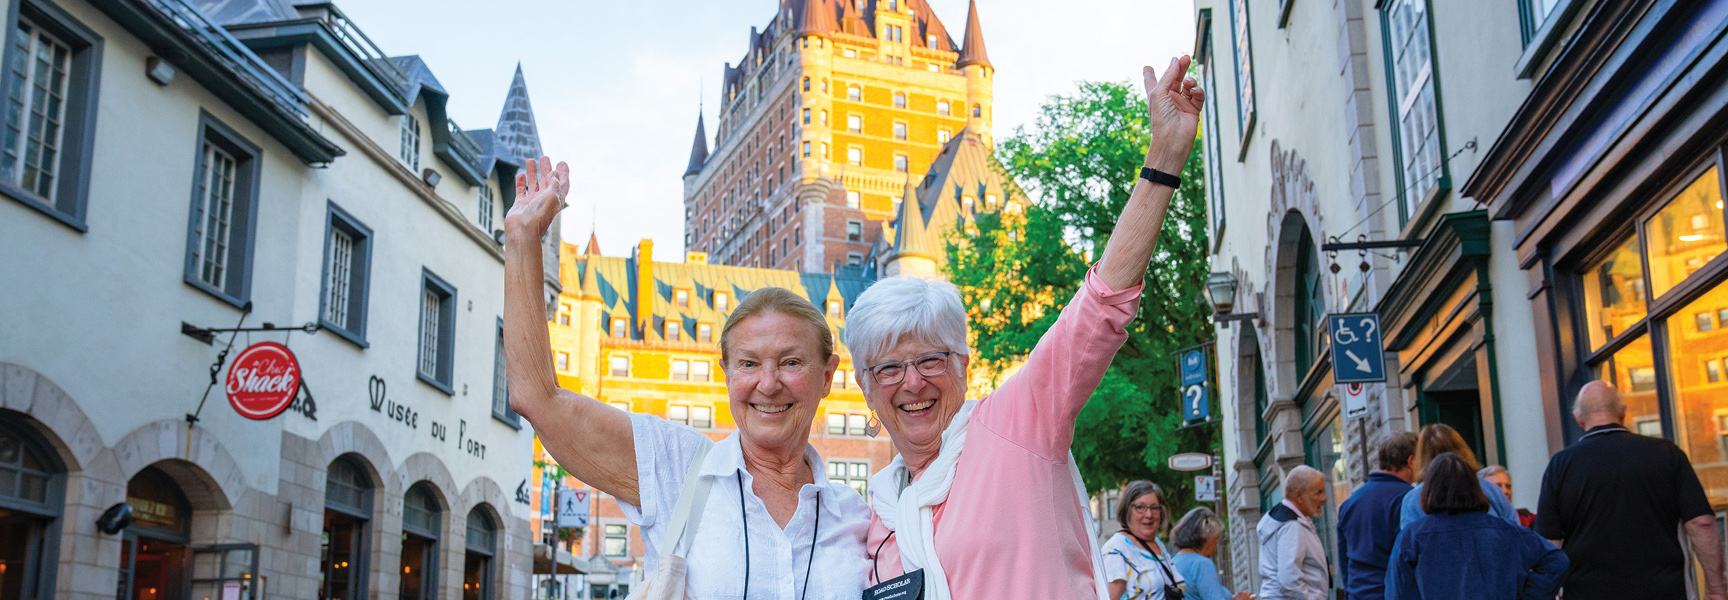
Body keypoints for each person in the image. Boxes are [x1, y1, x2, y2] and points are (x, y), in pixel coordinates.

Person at [846, 56, 1205, 600]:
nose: (913, 383)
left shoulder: (1015, 425)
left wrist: (1164, 158)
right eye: (890, 368)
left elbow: (1100, 307)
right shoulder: (879, 514)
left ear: (963, 365)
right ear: (866, 388)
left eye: (930, 360)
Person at [502, 157, 871, 598]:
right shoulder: (676, 468)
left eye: (791, 362)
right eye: (749, 364)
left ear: (827, 376)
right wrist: (523, 239)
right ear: (727, 373)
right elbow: (539, 400)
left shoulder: (858, 520)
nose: (768, 384)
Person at [1535, 381, 1725, 600]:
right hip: (1664, 591)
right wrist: (1716, 590)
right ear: (1623, 412)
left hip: (1588, 593)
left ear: (1579, 418)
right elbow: (1702, 523)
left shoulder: (1561, 465)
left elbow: (1549, 543)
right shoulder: (1667, 454)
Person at [1389, 452, 1568, 600]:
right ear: (1475, 487)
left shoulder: (1413, 537)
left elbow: (1398, 592)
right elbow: (1556, 561)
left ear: (1429, 491)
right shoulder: (1506, 529)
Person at [1337, 432, 1417, 600]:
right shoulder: (1409, 499)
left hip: (1358, 594)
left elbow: (1344, 560)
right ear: (1411, 461)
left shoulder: (1350, 504)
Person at [1395, 424, 1516, 532]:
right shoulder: (1491, 490)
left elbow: (1408, 545)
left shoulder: (1413, 499)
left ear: (1422, 456)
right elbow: (1515, 530)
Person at [1102, 481, 1186, 600]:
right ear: (1127, 510)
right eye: (1140, 507)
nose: (1149, 514)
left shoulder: (1157, 543)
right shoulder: (1116, 551)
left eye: (1154, 508)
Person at [1256, 465, 1330, 600]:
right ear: (1299, 496)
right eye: (1318, 492)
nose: (1324, 498)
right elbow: (1289, 580)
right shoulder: (1292, 526)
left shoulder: (1285, 521)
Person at [1169, 507, 1252, 600]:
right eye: (1215, 540)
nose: (1215, 548)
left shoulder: (1171, 561)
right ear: (1207, 537)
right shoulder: (1202, 564)